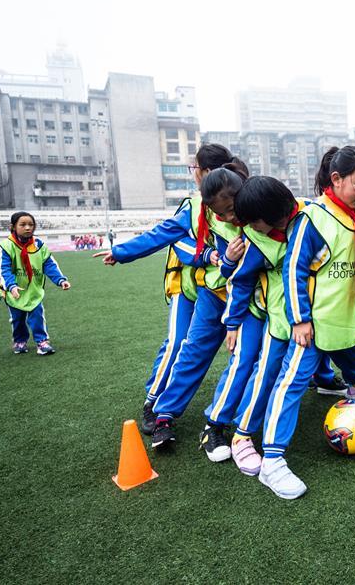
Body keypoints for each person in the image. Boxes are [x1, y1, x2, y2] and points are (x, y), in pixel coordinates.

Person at [259, 146, 355, 500]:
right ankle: (272, 461)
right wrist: (300, 320)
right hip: (315, 324)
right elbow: (293, 269)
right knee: (292, 385)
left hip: (348, 315)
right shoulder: (312, 218)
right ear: (336, 179)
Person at [216, 176, 355, 474]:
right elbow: (240, 281)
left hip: (317, 317)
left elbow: (343, 257)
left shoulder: (307, 215)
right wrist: (232, 323)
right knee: (266, 376)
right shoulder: (254, 241)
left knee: (304, 372)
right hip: (282, 322)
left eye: (256, 222)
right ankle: (242, 436)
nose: (252, 227)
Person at [93, 144, 246, 435]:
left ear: (209, 172)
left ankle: (315, 380)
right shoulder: (194, 208)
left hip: (238, 292)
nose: (193, 174)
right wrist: (121, 252)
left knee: (253, 353)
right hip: (198, 288)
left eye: (195, 169)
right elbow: (169, 238)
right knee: (182, 344)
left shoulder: (245, 199)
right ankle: (157, 405)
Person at [149, 165, 249, 449]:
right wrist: (120, 253)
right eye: (222, 212)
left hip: (248, 302)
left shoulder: (256, 207)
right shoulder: (200, 212)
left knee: (244, 359)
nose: (229, 217)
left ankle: (218, 423)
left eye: (232, 208)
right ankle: (164, 416)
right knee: (192, 353)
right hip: (213, 294)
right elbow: (167, 238)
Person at [0, 212, 71, 355]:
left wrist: (61, 280)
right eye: (22, 225)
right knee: (17, 318)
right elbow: (3, 270)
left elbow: (49, 264)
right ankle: (20, 341)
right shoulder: (5, 246)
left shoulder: (39, 244)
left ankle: (42, 342)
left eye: (31, 224)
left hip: (33, 288)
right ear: (13, 227)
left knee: (37, 315)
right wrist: (11, 286)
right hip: (13, 290)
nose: (27, 228)